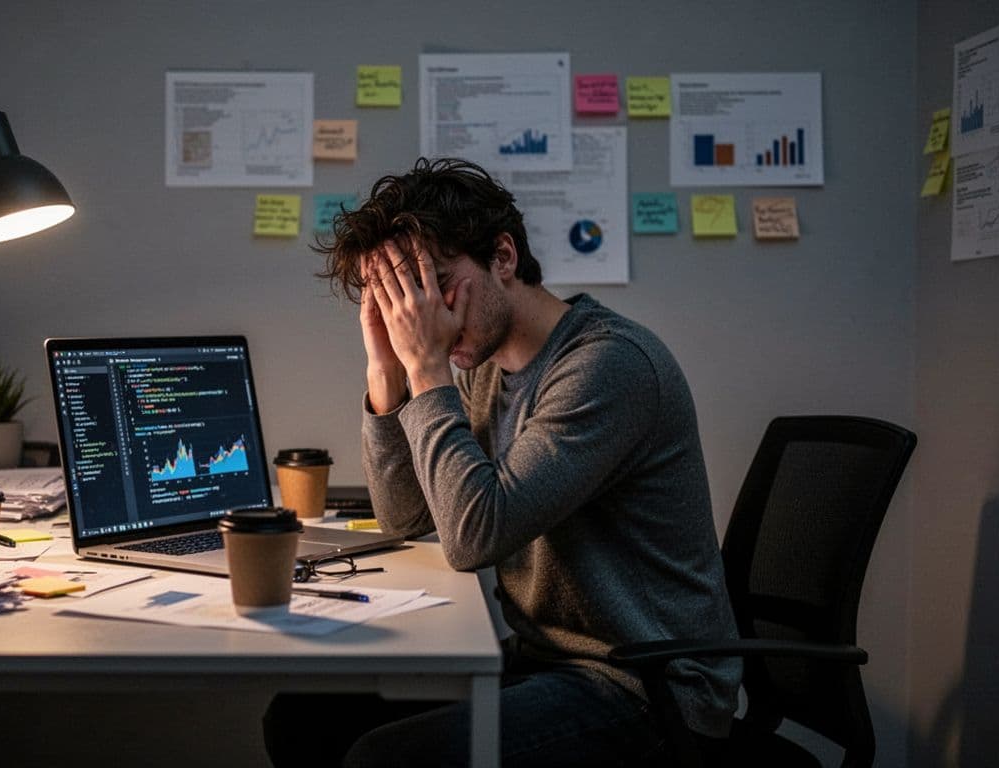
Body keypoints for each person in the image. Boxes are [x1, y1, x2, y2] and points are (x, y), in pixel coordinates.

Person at [263, 158, 740, 767]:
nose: (424, 315)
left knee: (384, 760)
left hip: (645, 687)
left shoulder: (607, 366)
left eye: (436, 285)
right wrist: (386, 375)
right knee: (301, 721)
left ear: (504, 257)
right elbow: (406, 516)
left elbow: (473, 537)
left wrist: (427, 369)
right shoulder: (485, 367)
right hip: (546, 662)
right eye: (402, 300)